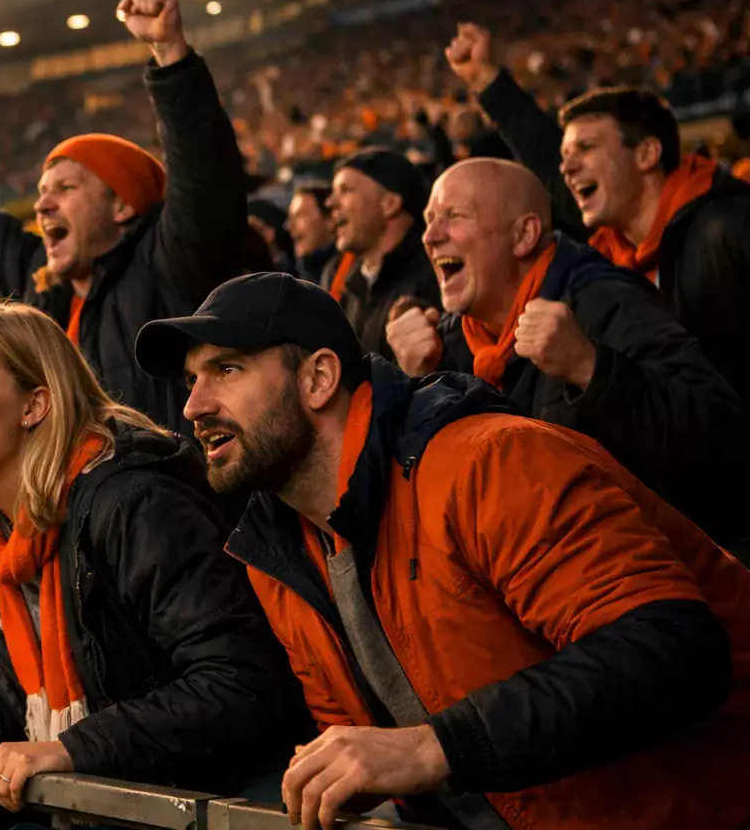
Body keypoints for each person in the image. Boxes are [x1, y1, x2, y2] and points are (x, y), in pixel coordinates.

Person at [135, 272, 750, 830]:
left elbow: (675, 652)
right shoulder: (278, 552)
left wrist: (433, 747)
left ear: (318, 379)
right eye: (193, 380)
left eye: (227, 371)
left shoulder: (490, 462)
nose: (194, 406)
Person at [0, 301, 307, 811]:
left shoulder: (135, 504)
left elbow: (240, 682)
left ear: (34, 405)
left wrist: (73, 748)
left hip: (212, 801)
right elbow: (35, 694)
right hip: (109, 804)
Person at [0, 0, 267, 435]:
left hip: (170, 497)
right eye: (42, 190)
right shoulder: (43, 287)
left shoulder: (168, 264)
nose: (43, 204)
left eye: (65, 188)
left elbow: (206, 176)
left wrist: (170, 54)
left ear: (121, 205)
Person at [387, 159, 748, 547]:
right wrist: (414, 389)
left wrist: (590, 368)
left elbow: (725, 439)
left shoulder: (605, 302)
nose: (430, 236)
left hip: (656, 579)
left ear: (524, 234)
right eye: (429, 219)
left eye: (453, 216)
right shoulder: (444, 345)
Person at [446, 22, 750, 406]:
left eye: (586, 148)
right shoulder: (605, 250)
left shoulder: (730, 227)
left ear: (646, 154)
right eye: (566, 155)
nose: (567, 167)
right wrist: (485, 79)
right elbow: (541, 151)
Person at [320, 149, 438, 358]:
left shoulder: (438, 271)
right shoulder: (339, 277)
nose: (330, 203)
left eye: (345, 190)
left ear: (389, 203)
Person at [286, 181, 336, 285]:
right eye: (290, 218)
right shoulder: (295, 276)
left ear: (329, 219)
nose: (289, 225)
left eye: (299, 215)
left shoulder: (349, 272)